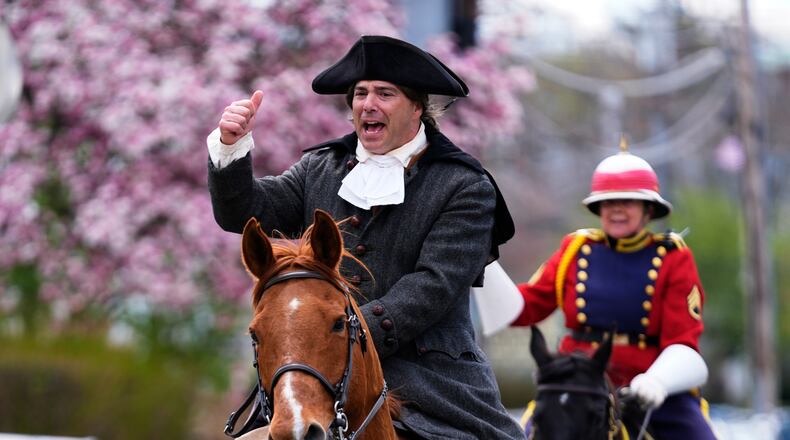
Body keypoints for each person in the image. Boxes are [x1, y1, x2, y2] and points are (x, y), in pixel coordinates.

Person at [207, 35, 525, 440]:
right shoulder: (319, 167)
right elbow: (244, 213)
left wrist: (343, 335)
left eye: (384, 93)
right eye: (360, 94)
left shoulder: (465, 186)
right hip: (317, 375)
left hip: (431, 386)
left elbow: (432, 287)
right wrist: (231, 150)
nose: (367, 104)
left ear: (416, 107)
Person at [511, 139, 717, 439]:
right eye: (609, 202)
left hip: (652, 389)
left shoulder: (674, 257)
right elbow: (527, 306)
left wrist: (658, 381)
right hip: (578, 382)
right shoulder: (575, 249)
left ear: (648, 209)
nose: (617, 209)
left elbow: (684, 340)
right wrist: (481, 268)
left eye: (628, 201)